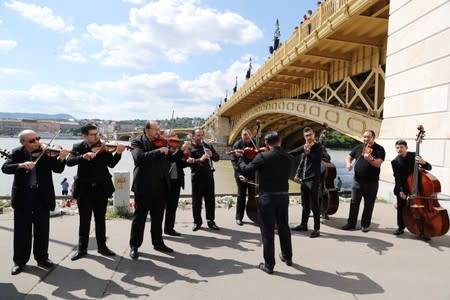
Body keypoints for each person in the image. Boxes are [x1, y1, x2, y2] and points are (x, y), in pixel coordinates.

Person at [2, 130, 69, 275]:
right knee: (21, 232)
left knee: (42, 231)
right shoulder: (17, 152)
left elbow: (58, 169)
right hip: (23, 198)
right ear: (23, 143)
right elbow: (5, 168)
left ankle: (42, 258)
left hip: (42, 198)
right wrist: (20, 165)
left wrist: (62, 158)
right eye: (32, 140)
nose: (37, 142)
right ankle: (19, 262)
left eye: (37, 138)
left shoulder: (46, 152)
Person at [67, 123, 125, 261]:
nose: (96, 136)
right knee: (84, 220)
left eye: (97, 133)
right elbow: (69, 162)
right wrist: (82, 157)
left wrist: (118, 153)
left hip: (101, 188)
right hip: (84, 189)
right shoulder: (78, 147)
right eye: (93, 134)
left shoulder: (103, 147)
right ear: (85, 136)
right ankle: (82, 249)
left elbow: (111, 164)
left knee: (100, 220)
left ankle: (102, 247)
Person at [238, 131, 292, 274]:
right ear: (280, 141)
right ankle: (287, 256)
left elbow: (247, 170)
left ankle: (269, 265)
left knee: (267, 232)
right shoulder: (288, 157)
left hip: (267, 197)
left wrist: (241, 158)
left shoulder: (262, 156)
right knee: (284, 228)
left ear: (267, 144)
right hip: (283, 196)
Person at [129, 120, 181, 259]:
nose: (159, 132)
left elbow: (172, 158)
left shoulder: (163, 142)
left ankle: (158, 243)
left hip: (160, 185)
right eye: (155, 129)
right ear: (146, 130)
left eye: (159, 129)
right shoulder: (137, 142)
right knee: (139, 218)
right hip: (143, 186)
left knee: (158, 218)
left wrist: (180, 149)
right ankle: (134, 246)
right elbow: (139, 158)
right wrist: (158, 151)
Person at [342, 130, 385, 232]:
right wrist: (348, 163)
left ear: (373, 138)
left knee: (368, 204)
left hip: (371, 182)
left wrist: (370, 159)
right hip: (357, 181)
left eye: (368, 137)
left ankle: (365, 225)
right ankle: (351, 223)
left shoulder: (379, 149)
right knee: (354, 203)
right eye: (364, 137)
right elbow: (349, 157)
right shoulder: (359, 147)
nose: (366, 139)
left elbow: (378, 164)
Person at [391, 139, 431, 237]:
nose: (399, 149)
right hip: (403, 186)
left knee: (420, 209)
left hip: (416, 186)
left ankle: (423, 229)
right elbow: (397, 178)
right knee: (401, 207)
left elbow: (429, 167)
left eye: (401, 147)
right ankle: (401, 227)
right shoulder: (395, 162)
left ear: (406, 148)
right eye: (397, 148)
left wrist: (423, 162)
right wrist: (401, 191)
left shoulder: (414, 156)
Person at [289, 127, 322, 238]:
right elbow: (299, 158)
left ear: (314, 134)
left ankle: (317, 229)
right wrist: (280, 155)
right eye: (306, 136)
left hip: (313, 180)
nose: (308, 137)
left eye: (310, 135)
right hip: (304, 179)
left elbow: (316, 160)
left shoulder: (318, 147)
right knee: (304, 204)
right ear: (304, 137)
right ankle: (304, 225)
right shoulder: (305, 147)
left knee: (314, 205)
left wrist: (308, 153)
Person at [189, 127, 220, 231]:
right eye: (198, 135)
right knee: (196, 202)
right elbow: (188, 162)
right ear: (193, 136)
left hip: (209, 177)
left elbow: (217, 158)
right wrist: (199, 160)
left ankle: (211, 221)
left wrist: (212, 155)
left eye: (202, 135)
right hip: (197, 178)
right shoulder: (190, 147)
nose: (200, 137)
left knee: (210, 201)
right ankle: (197, 222)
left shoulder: (208, 146)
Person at [164, 131, 191, 236]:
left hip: (176, 182)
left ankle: (169, 229)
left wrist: (189, 162)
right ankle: (157, 232)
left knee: (172, 207)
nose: (175, 141)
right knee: (160, 208)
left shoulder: (176, 149)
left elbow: (180, 164)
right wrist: (181, 149)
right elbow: (172, 158)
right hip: (165, 182)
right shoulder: (164, 148)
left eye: (175, 138)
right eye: (172, 138)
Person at [230, 128, 257, 226]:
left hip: (252, 173)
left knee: (253, 196)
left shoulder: (255, 142)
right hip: (240, 173)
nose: (246, 136)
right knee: (241, 195)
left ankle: (255, 215)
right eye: (244, 134)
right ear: (241, 135)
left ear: (251, 135)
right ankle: (239, 217)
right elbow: (234, 162)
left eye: (248, 134)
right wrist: (240, 175)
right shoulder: (237, 145)